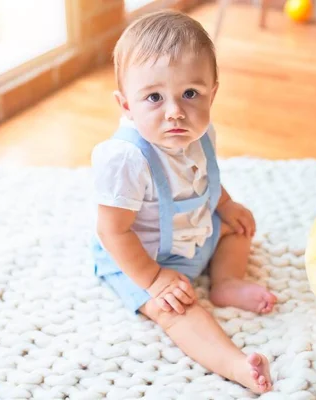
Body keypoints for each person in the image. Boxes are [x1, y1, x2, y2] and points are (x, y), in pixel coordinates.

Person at [91, 10, 277, 394]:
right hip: (140, 258)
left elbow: (206, 181)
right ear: (126, 105)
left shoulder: (201, 133)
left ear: (213, 91)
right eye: (154, 98)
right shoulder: (126, 158)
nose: (175, 111)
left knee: (238, 229)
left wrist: (226, 206)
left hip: (194, 233)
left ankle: (226, 282)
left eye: (190, 93)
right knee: (176, 310)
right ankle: (237, 365)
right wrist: (155, 280)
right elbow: (112, 230)